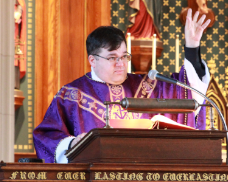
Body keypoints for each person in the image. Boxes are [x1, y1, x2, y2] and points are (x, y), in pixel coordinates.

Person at [33, 8, 211, 163]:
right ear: (92, 60)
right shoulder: (72, 94)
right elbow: (46, 136)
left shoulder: (147, 84)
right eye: (112, 58)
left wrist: (192, 47)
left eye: (124, 56)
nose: (121, 63)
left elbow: (188, 91)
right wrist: (71, 143)